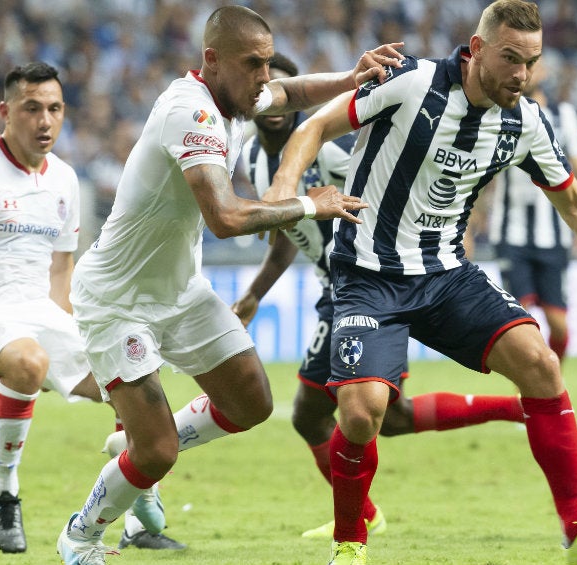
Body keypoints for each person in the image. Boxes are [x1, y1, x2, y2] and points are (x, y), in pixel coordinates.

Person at [261, 2, 577, 564]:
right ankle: (350, 544)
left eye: (531, 62)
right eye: (510, 59)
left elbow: (575, 204)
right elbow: (316, 125)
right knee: (361, 414)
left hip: (447, 276)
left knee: (542, 364)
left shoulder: (525, 121)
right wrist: (287, 185)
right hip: (367, 277)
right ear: (477, 50)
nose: (521, 75)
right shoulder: (413, 82)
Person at [53, 6, 403, 565]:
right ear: (211, 60)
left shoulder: (240, 94)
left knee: (251, 403)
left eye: (267, 62)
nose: (264, 76)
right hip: (117, 301)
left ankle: (137, 445)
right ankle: (80, 534)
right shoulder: (189, 112)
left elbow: (290, 93)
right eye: (253, 64)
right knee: (160, 453)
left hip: (180, 292)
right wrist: (310, 204)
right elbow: (225, 218)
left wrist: (350, 79)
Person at [230, 54, 525, 540]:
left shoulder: (329, 149)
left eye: (282, 90)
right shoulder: (258, 159)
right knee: (377, 417)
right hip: (341, 288)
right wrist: (255, 294)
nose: (274, 102)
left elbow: (389, 180)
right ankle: (509, 412)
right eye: (265, 91)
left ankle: (363, 515)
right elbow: (288, 229)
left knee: (318, 415)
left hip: (368, 281)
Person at [0, 62, 184, 555]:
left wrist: (65, 325)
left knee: (134, 375)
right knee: (28, 360)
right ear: (5, 111)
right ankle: (3, 492)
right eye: (32, 108)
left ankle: (139, 514)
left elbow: (62, 269)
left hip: (38, 311)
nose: (45, 121)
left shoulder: (64, 179)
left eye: (55, 109)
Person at [488, 60, 577, 364]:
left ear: (543, 71)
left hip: (555, 235)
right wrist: (467, 226)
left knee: (558, 325)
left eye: (532, 64)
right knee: (519, 323)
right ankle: (533, 390)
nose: (525, 71)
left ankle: (552, 382)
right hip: (511, 233)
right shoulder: (499, 111)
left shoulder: (564, 115)